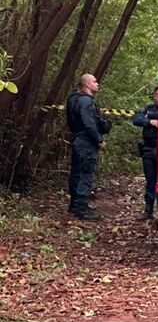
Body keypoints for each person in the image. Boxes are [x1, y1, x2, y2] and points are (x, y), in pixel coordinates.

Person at [66, 73, 110, 221]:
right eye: (94, 81)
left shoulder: (73, 99)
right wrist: (99, 140)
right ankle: (82, 208)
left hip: (77, 139)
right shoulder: (85, 101)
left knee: (76, 172)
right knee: (86, 173)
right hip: (86, 141)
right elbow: (89, 122)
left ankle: (74, 204)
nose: (97, 84)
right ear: (87, 85)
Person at [132, 85, 158, 220]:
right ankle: (148, 210)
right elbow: (136, 119)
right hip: (149, 149)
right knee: (150, 181)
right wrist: (150, 121)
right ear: (154, 96)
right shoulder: (148, 109)